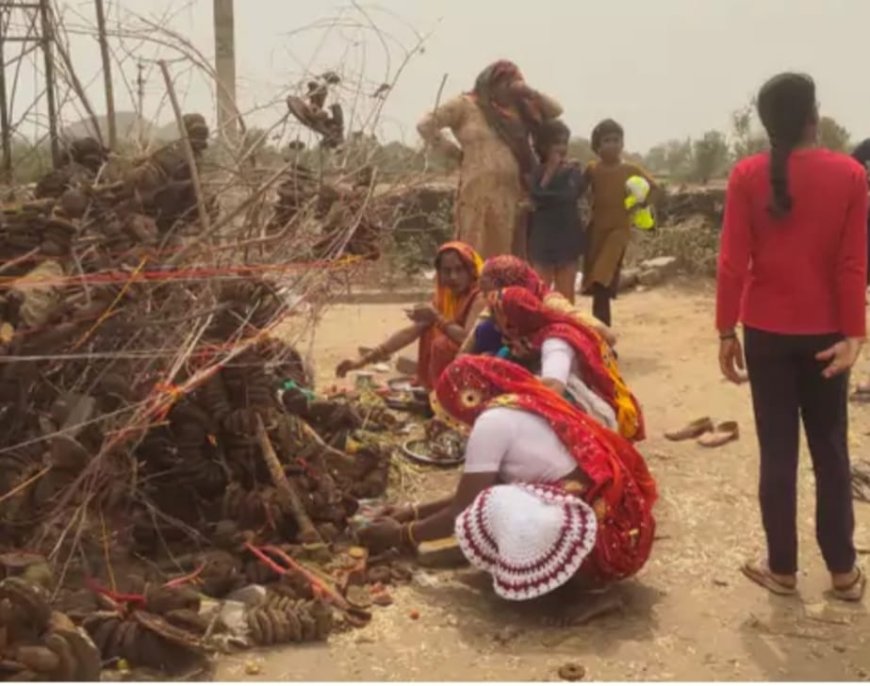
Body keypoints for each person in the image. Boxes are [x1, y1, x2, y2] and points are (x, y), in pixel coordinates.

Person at [717, 73, 867, 601]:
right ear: (812, 116)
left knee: (777, 452)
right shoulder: (850, 174)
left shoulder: (746, 176)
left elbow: (733, 262)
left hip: (765, 333)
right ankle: (844, 573)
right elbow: (853, 265)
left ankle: (782, 569)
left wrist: (724, 330)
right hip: (827, 333)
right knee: (830, 451)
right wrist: (855, 334)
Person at [358, 356, 657, 599]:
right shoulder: (518, 403)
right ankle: (569, 577)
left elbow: (464, 506)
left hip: (607, 543)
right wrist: (409, 513)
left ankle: (587, 591)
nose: (455, 424)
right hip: (619, 524)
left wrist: (400, 534)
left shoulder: (492, 422)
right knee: (498, 497)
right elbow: (469, 496)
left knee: (496, 503)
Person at [417, 61, 562, 259]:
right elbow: (425, 124)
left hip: (514, 192)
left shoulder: (520, 108)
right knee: (475, 246)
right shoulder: (466, 105)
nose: (510, 89)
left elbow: (555, 110)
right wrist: (454, 153)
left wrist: (528, 91)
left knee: (511, 250)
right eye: (505, 83)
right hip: (477, 191)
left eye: (514, 82)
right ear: (491, 83)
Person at [489, 286, 644, 441]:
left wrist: (505, 386)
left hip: (590, 417)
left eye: (502, 321)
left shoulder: (555, 341)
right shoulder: (531, 339)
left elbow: (554, 387)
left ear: (517, 319)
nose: (497, 327)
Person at [336, 241, 485, 389]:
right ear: (439, 274)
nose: (453, 276)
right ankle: (435, 391)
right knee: (428, 330)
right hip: (451, 374)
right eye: (447, 271)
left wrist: (436, 317)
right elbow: (410, 333)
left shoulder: (479, 297)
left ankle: (445, 395)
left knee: (443, 344)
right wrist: (361, 361)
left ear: (470, 270)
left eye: (459, 270)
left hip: (476, 373)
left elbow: (467, 339)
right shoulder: (444, 298)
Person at [582, 119, 658, 327]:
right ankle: (600, 333)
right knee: (599, 287)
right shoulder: (592, 170)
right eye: (607, 140)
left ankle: (604, 339)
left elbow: (654, 188)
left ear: (622, 143)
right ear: (597, 146)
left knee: (601, 280)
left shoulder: (630, 170)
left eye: (616, 140)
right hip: (597, 232)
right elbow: (577, 191)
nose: (612, 145)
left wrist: (637, 205)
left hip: (619, 232)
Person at [460, 255, 616, 354]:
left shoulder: (552, 305)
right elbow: (466, 350)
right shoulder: (496, 306)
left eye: (488, 293)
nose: (485, 298)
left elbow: (607, 335)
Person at [528, 120, 586, 303]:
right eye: (555, 143)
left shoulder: (573, 172)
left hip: (567, 237)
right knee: (539, 293)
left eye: (564, 142)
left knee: (566, 296)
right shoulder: (536, 172)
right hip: (542, 239)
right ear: (543, 146)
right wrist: (550, 172)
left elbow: (570, 195)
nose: (561, 148)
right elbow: (536, 195)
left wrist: (544, 196)